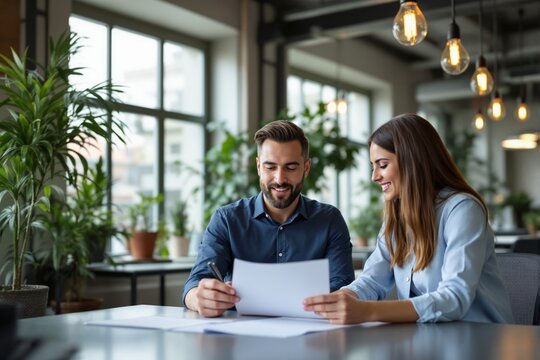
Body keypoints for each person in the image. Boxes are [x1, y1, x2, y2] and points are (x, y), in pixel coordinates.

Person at [304, 114, 514, 324]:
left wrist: (368, 311)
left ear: (412, 161)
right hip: (431, 339)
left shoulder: (462, 209)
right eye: (373, 166)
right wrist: (342, 298)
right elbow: (372, 279)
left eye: (383, 165)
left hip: (481, 338)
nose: (374, 176)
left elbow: (455, 297)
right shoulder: (397, 217)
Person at [183, 120, 355, 317]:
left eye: (290, 167)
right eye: (270, 167)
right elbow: (195, 283)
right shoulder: (227, 219)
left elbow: (344, 287)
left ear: (306, 168)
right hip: (240, 336)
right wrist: (199, 298)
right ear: (258, 167)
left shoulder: (330, 220)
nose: (280, 178)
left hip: (312, 335)